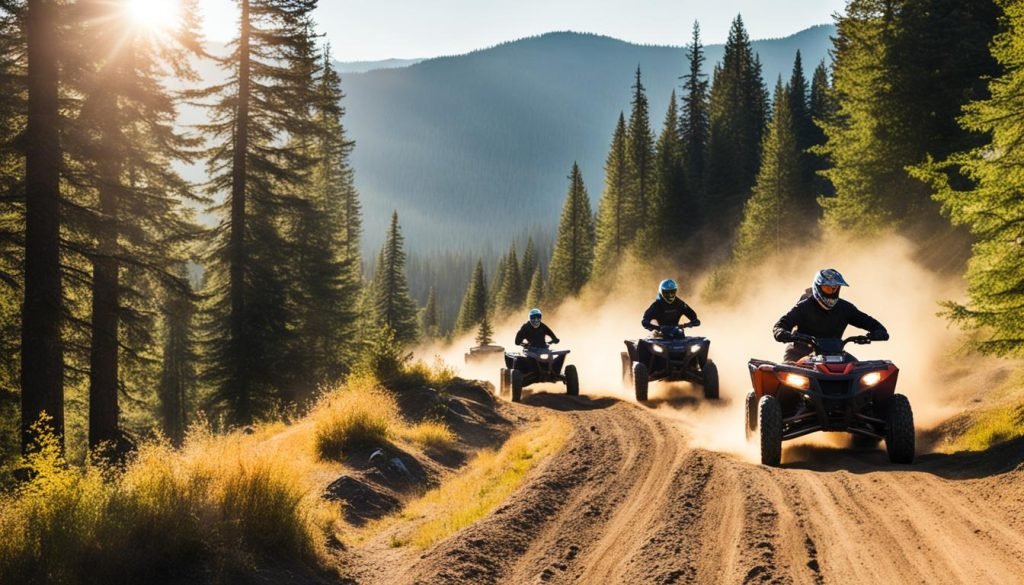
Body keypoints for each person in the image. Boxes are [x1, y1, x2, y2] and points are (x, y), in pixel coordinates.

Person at [773, 268, 889, 362]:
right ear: (818, 287)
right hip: (798, 355)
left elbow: (870, 322)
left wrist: (879, 332)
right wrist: (781, 332)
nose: (832, 291)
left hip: (835, 356)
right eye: (828, 288)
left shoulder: (845, 308)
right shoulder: (804, 306)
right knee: (784, 383)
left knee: (864, 380)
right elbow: (781, 325)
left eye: (835, 288)